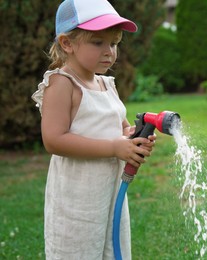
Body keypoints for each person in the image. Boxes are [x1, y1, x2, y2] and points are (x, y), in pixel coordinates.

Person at [31, 0, 155, 259]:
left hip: (109, 191)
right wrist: (113, 147)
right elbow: (54, 140)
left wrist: (130, 138)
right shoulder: (62, 84)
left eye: (114, 43)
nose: (109, 51)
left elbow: (117, 127)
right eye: (98, 42)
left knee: (112, 248)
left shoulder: (106, 84)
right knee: (79, 249)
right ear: (67, 44)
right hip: (76, 199)